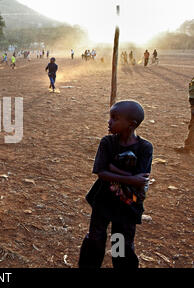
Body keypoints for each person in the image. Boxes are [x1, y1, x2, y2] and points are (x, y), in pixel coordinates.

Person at [79, 100, 153, 269]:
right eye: (110, 117)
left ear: (131, 124)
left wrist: (113, 168)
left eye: (114, 118)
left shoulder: (145, 148)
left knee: (120, 241)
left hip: (127, 204)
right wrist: (131, 178)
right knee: (96, 237)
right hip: (103, 200)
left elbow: (142, 178)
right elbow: (100, 172)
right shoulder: (107, 142)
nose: (109, 121)